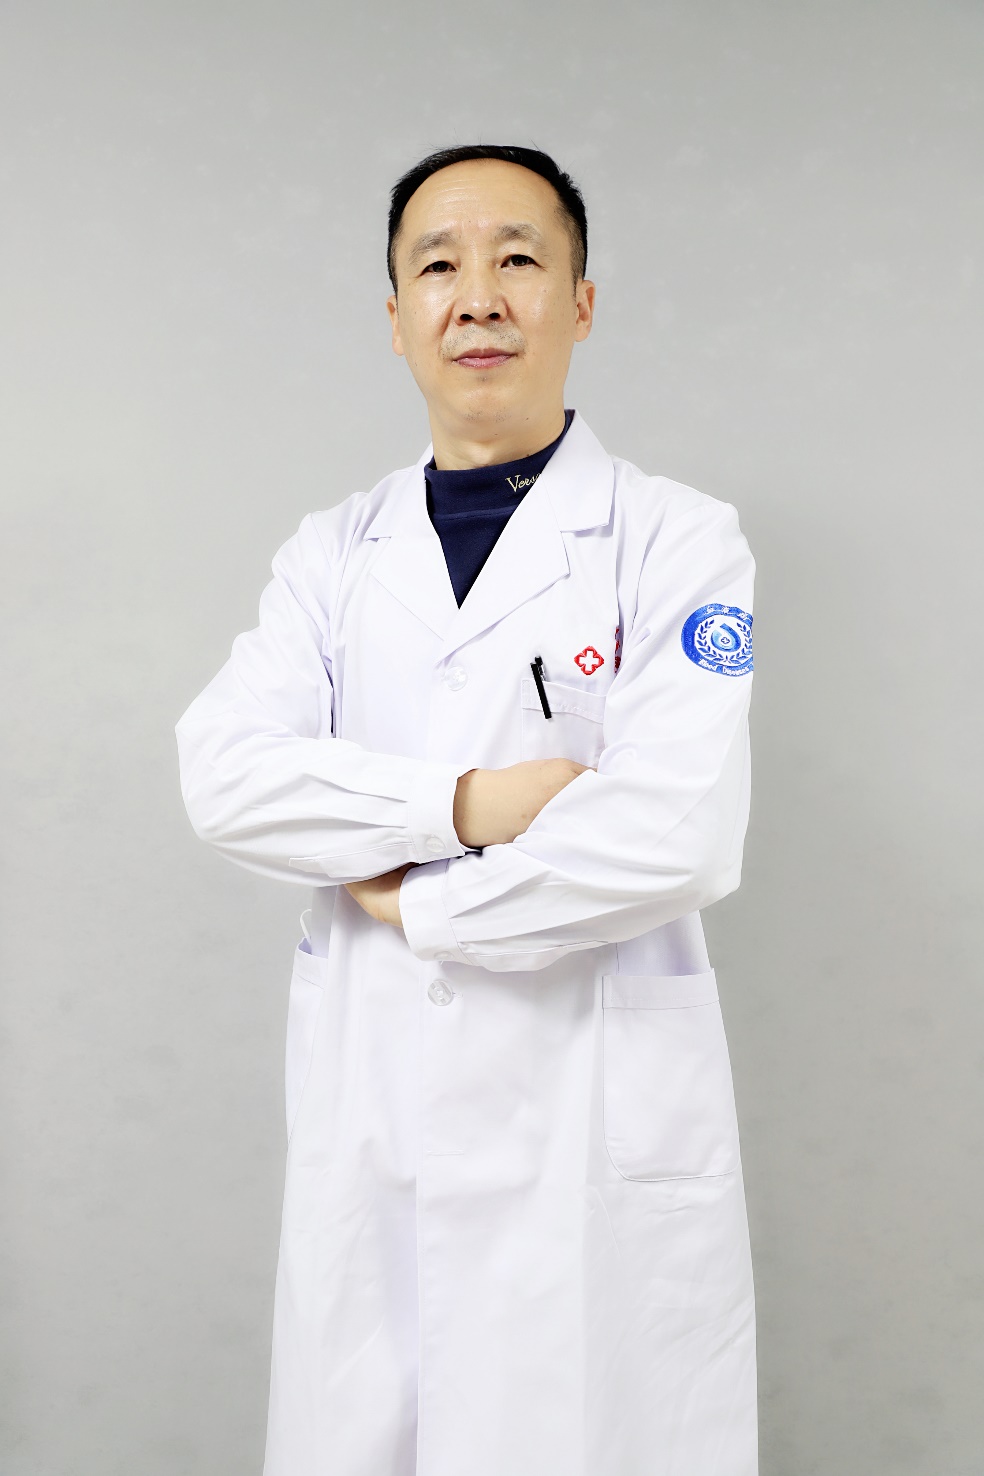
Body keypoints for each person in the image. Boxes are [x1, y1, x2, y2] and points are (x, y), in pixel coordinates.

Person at [176, 143, 758, 1476]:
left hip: (584, 1131)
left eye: (518, 259)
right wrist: (469, 803)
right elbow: (226, 773)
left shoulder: (677, 541)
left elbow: (677, 832)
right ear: (397, 318)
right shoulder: (331, 556)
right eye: (438, 265)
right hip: (377, 1116)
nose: (478, 296)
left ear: (581, 303)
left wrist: (423, 907)